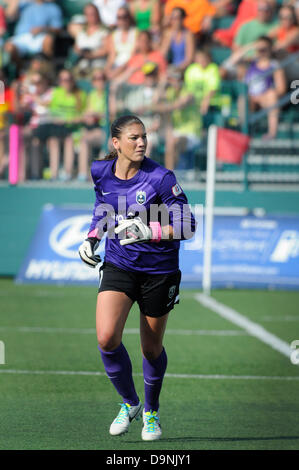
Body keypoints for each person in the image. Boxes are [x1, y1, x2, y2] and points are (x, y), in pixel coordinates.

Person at [78, 114, 196, 441]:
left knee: (151, 349)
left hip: (159, 271)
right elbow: (104, 207)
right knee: (106, 338)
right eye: (134, 137)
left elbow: (189, 226)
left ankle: (151, 412)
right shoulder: (100, 171)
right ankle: (129, 402)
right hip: (120, 263)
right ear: (116, 143)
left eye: (144, 136)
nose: (142, 142)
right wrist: (91, 238)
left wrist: (150, 230)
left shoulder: (160, 177)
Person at [244, 36, 287, 139]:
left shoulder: (274, 65)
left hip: (265, 99)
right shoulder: (251, 63)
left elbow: (281, 89)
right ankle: (244, 133)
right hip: (251, 99)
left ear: (270, 49)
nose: (261, 51)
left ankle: (272, 133)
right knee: (243, 98)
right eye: (259, 49)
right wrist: (250, 47)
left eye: (264, 49)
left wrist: (262, 96)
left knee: (272, 95)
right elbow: (231, 62)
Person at [4, 0, 63, 64]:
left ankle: (48, 69)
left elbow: (58, 29)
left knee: (49, 40)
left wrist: (42, 29)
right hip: (21, 37)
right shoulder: (24, 4)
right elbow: (8, 15)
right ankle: (20, 70)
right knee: (9, 47)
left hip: (40, 37)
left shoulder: (53, 8)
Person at [104, 6, 138, 80]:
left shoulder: (136, 33)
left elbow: (133, 56)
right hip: (116, 66)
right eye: (119, 17)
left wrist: (118, 71)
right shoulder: (114, 35)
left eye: (124, 17)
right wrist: (107, 69)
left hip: (130, 67)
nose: (122, 20)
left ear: (129, 18)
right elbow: (112, 56)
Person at [160, 7, 195, 74]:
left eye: (177, 18)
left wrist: (177, 68)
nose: (174, 21)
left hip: (184, 69)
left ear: (182, 19)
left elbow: (189, 59)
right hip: (171, 68)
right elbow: (162, 54)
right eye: (172, 18)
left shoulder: (188, 34)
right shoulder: (168, 34)